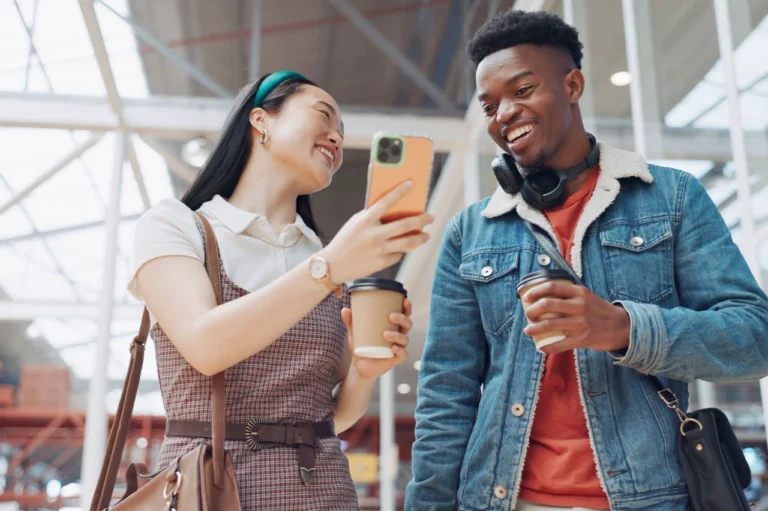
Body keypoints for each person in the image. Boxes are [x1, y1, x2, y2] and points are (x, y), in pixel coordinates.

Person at [406, 10, 768, 511]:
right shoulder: (470, 232)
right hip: (499, 500)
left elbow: (754, 337)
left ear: (572, 84)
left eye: (523, 90)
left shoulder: (673, 197)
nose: (503, 114)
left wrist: (623, 328)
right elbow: (446, 394)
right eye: (489, 106)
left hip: (649, 500)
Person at [128, 71, 434, 510]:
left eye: (342, 135)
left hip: (322, 489)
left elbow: (331, 416)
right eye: (324, 117)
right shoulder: (176, 225)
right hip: (208, 489)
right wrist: (328, 268)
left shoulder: (328, 258)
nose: (337, 139)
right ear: (260, 120)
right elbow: (206, 344)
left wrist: (365, 372)